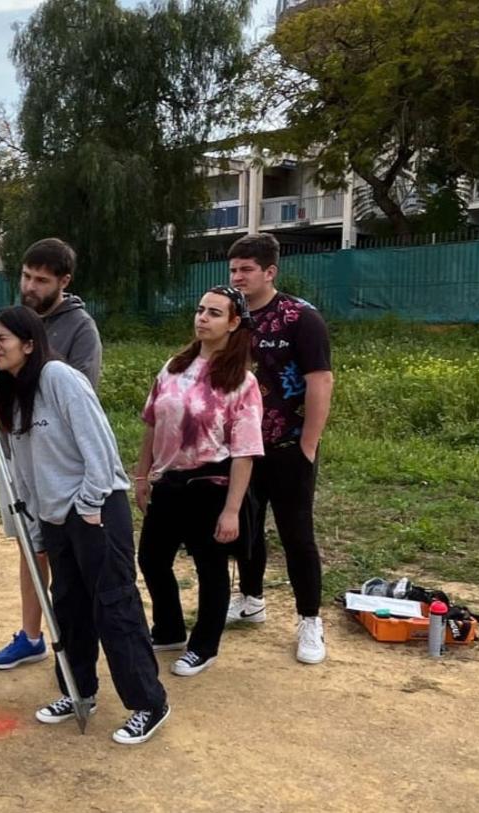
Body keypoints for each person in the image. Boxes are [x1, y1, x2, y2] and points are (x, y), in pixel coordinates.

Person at [0, 305, 169, 745]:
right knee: (67, 608)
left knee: (114, 606)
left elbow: (100, 448)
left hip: (94, 510)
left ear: (29, 344)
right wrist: (33, 523)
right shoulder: (11, 393)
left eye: (2, 341)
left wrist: (89, 505)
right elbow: (24, 470)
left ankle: (149, 703)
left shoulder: (59, 378)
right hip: (53, 517)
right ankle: (77, 689)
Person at [133, 287, 264, 677]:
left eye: (215, 313)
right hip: (169, 482)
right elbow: (151, 424)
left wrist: (232, 510)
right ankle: (170, 629)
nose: (202, 318)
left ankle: (204, 646)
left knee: (210, 568)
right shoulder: (174, 366)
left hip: (211, 485)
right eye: (200, 310)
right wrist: (142, 475)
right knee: (152, 559)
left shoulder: (241, 382)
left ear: (234, 323)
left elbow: (245, 452)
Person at [0, 237, 103, 670]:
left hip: (57, 462)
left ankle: (77, 641)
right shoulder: (11, 323)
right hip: (15, 452)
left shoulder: (80, 329)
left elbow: (79, 397)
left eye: (41, 279)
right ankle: (31, 634)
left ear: (63, 281)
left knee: (65, 554)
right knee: (28, 545)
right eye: (26, 276)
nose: (30, 286)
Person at [227, 233, 334, 664]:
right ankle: (250, 599)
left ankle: (310, 619)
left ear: (270, 272)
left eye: (246, 270)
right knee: (245, 527)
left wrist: (308, 442)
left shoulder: (299, 317)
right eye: (233, 270)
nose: (238, 278)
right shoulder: (230, 316)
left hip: (288, 444)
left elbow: (320, 380)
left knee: (296, 535)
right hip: (241, 447)